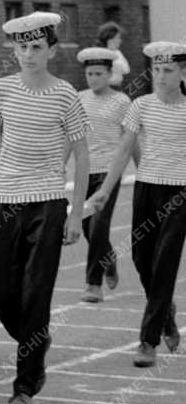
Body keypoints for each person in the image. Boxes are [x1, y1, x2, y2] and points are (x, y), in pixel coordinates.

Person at [0, 11, 89, 404]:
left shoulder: (66, 95)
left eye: (36, 47)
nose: (28, 54)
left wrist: (75, 215)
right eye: (21, 47)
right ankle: (36, 340)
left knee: (36, 294)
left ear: (52, 50)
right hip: (5, 203)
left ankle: (24, 387)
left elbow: (83, 158)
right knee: (1, 292)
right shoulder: (1, 90)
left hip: (48, 204)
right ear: (13, 50)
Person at [84, 42, 186, 368]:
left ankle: (148, 341)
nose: (161, 76)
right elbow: (124, 150)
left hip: (179, 193)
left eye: (168, 70)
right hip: (146, 189)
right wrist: (104, 191)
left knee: (166, 261)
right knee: (144, 261)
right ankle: (166, 315)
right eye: (156, 69)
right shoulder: (141, 105)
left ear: (183, 72)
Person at [76, 47, 131, 303]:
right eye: (89, 73)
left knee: (98, 226)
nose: (93, 78)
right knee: (87, 228)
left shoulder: (122, 102)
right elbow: (70, 137)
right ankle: (108, 259)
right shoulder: (79, 98)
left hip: (108, 173)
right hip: (84, 171)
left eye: (98, 73)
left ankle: (93, 284)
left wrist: (143, 171)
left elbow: (131, 142)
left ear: (110, 74)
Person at [97, 21, 131, 88]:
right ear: (110, 39)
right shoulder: (100, 54)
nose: (120, 41)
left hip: (118, 87)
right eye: (118, 38)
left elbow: (126, 70)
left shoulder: (117, 52)